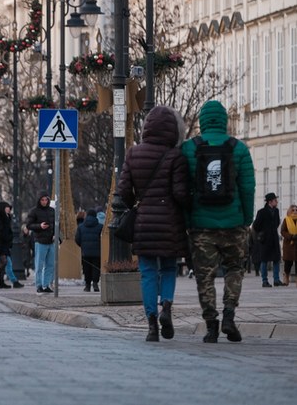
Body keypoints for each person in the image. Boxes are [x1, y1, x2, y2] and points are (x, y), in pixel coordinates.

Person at [180, 99, 255, 343]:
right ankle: (230, 314)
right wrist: (246, 218)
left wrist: (188, 220)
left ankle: (211, 325)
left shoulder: (189, 148)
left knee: (205, 276)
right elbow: (247, 188)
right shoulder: (239, 148)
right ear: (224, 121)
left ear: (202, 121)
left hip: (201, 226)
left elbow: (183, 190)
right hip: (234, 224)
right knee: (235, 269)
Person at [117, 105, 191, 342]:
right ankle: (166, 308)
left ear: (147, 127)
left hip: (144, 223)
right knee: (168, 268)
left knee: (147, 273)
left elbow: (124, 190)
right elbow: (181, 194)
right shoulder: (175, 156)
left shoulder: (133, 153)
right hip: (170, 223)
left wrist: (136, 204)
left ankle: (151, 325)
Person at [25, 194, 56, 293]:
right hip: (40, 241)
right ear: (39, 200)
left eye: (46, 200)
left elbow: (56, 224)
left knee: (50, 264)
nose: (44, 202)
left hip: (51, 241)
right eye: (42, 200)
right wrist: (40, 226)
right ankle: (38, 285)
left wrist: (57, 236)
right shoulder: (34, 211)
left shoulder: (52, 211)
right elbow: (29, 225)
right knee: (39, 265)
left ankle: (45, 285)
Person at [253, 193, 283, 287]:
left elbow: (277, 222)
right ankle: (264, 280)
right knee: (264, 260)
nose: (277, 202)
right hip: (265, 239)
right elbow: (256, 225)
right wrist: (263, 232)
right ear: (270, 201)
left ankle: (276, 280)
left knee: (276, 259)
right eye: (275, 200)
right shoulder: (261, 212)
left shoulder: (277, 211)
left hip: (274, 238)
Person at [74, 208, 103, 293]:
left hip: (85, 252)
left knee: (86, 268)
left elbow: (77, 239)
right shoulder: (100, 227)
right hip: (97, 252)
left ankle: (87, 285)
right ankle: (95, 284)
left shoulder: (81, 226)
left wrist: (82, 246)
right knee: (96, 268)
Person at [281, 204, 297, 286]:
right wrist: (291, 236)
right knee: (288, 263)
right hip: (289, 245)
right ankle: (286, 277)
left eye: (296, 210)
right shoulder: (286, 220)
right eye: (293, 210)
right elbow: (283, 231)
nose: (295, 212)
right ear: (289, 211)